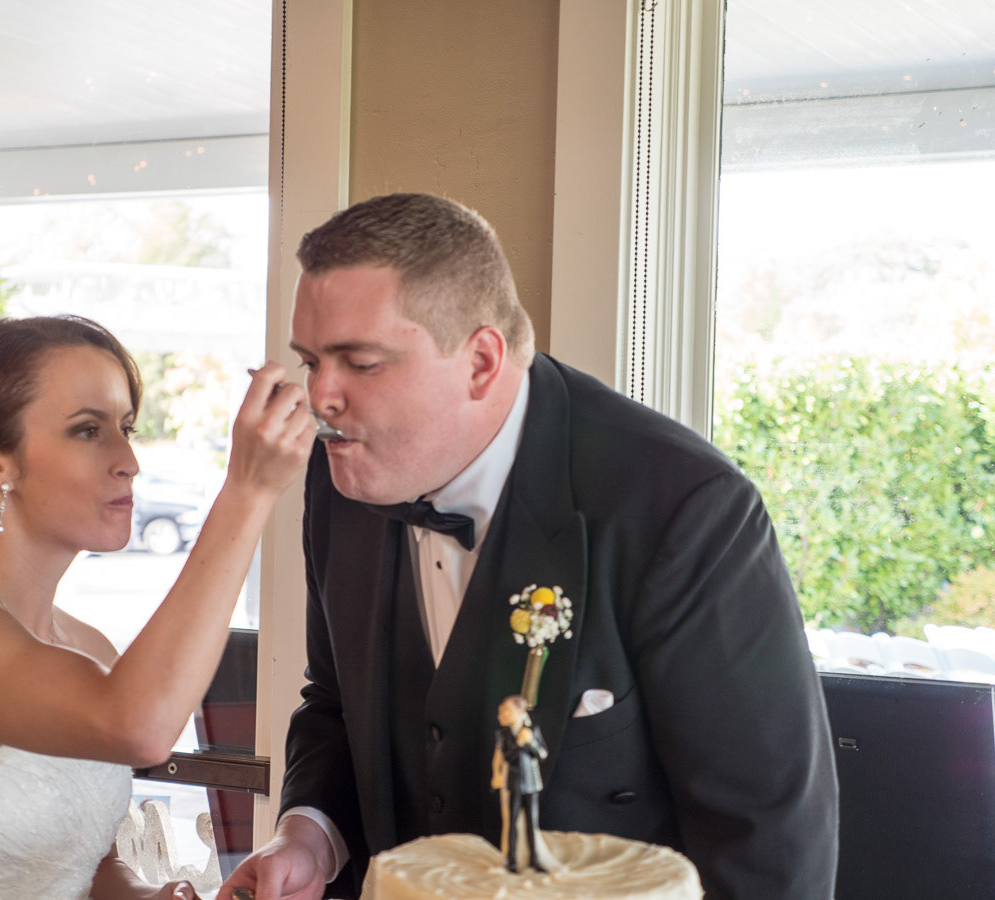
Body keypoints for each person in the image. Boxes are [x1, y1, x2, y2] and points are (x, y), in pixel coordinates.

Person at [218, 193, 838, 900]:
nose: (321, 398)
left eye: (360, 364)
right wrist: (308, 835)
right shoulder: (342, 478)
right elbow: (334, 702)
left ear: (481, 361)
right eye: (310, 361)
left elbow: (766, 837)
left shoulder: (683, 509)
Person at [0, 315, 315, 899]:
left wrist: (150, 896)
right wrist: (247, 490)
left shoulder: (87, 648)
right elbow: (141, 728)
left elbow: (89, 867)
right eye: (87, 430)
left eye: (125, 427)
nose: (129, 460)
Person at [491, 695, 547, 873]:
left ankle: (534, 859)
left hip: (532, 783)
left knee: (531, 823)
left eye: (506, 711)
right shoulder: (503, 735)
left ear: (520, 711)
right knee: (512, 823)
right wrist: (520, 743)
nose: (502, 715)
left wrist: (530, 743)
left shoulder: (533, 730)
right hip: (513, 784)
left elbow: (542, 754)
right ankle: (511, 860)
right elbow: (508, 757)